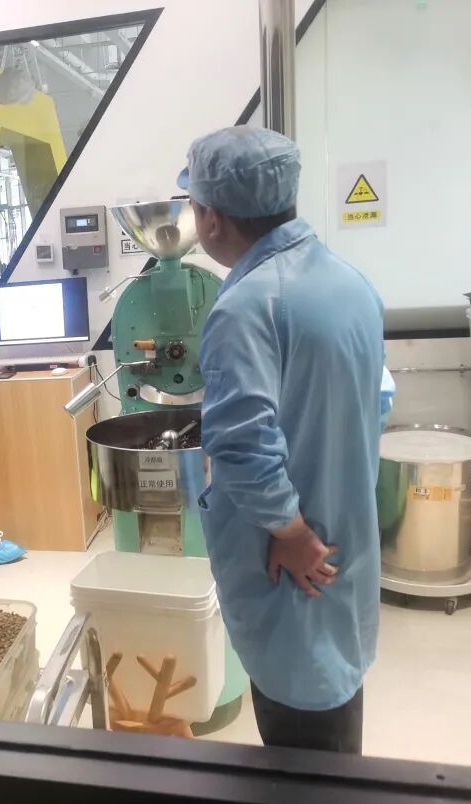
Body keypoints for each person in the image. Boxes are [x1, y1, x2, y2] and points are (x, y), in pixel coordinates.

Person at [179, 126, 385, 754]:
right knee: (337, 711)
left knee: (304, 748)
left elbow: (242, 446)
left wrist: (289, 532)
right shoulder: (350, 283)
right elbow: (376, 401)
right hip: (347, 544)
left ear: (212, 218)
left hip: (298, 564)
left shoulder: (247, 306)